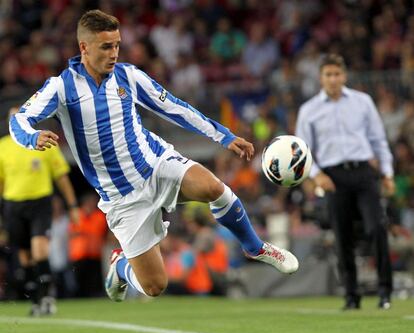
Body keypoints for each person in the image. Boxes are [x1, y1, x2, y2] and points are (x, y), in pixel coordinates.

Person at [9, 9, 298, 303]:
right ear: (84, 47)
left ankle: (255, 246)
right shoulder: (61, 88)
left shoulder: (128, 76)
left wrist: (223, 135)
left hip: (156, 164)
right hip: (122, 197)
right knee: (155, 286)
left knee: (214, 187)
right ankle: (121, 267)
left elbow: (174, 107)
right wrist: (33, 138)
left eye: (117, 45)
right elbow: (18, 120)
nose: (114, 53)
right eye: (106, 46)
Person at [295, 54, 395, 310]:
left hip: (363, 172)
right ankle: (351, 295)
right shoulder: (309, 110)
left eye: (337, 74)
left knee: (377, 228)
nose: (333, 79)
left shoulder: (362, 102)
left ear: (344, 75)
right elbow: (302, 151)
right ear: (321, 77)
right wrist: (317, 174)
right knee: (343, 237)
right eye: (328, 74)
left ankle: (385, 292)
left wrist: (387, 173)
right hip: (333, 178)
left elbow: (378, 140)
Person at [1, 107, 79, 316]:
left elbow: (61, 177)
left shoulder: (43, 142)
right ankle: (35, 299)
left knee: (39, 250)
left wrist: (72, 206)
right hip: (13, 205)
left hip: (40, 203)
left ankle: (47, 298)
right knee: (25, 256)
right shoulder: (3, 147)